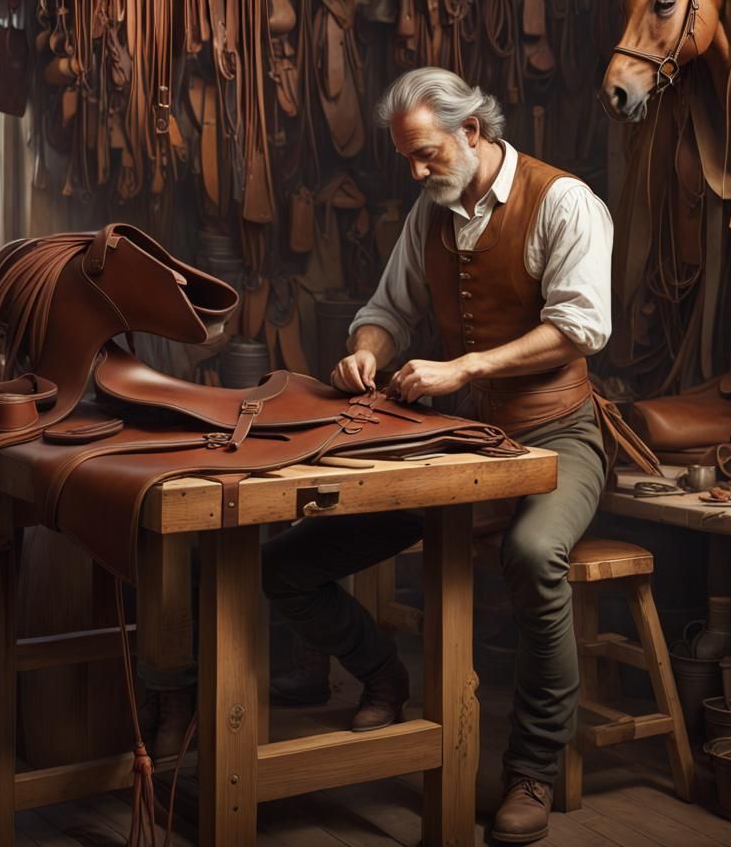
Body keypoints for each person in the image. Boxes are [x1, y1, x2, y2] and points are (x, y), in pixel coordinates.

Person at [262, 67, 613, 845]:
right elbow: (388, 309)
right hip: (456, 442)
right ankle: (382, 674)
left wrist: (464, 368)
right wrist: (366, 350)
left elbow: (581, 327)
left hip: (557, 434)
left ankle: (533, 770)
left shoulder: (564, 201)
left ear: (472, 132)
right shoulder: (432, 210)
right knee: (284, 565)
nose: (418, 174)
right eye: (409, 159)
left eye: (428, 155)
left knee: (533, 553)